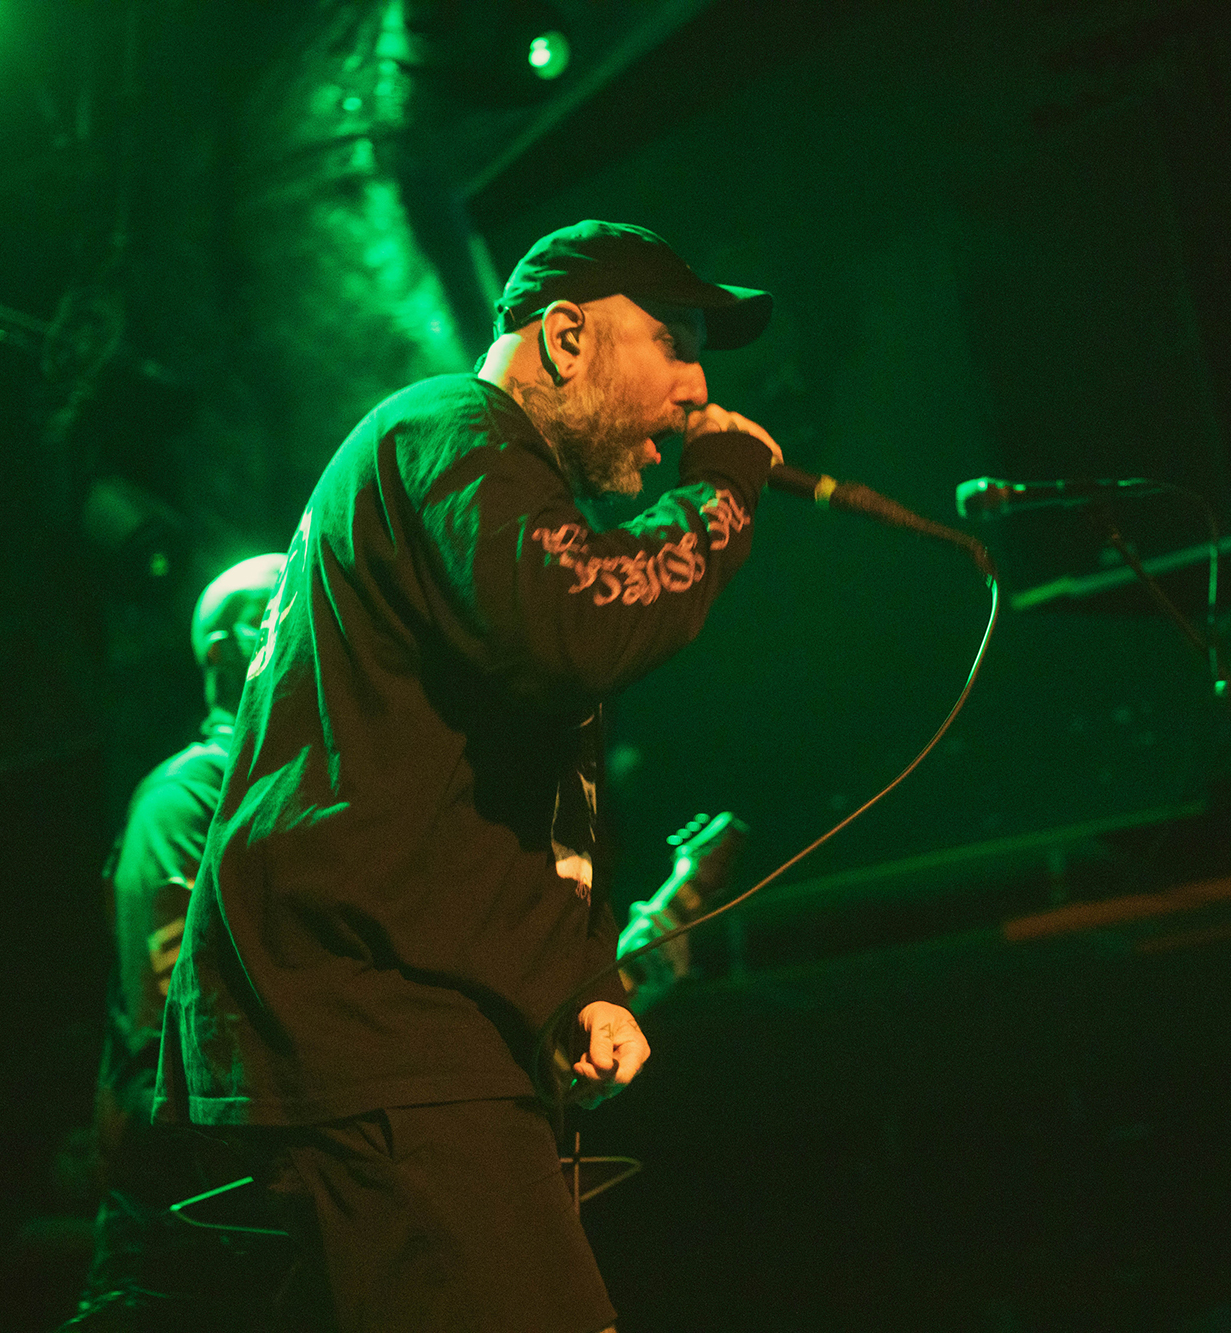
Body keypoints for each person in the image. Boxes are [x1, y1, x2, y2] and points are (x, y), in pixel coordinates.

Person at [155, 220, 784, 1333]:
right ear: (566, 337)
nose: (699, 390)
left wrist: (576, 982)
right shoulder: (449, 429)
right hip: (377, 1032)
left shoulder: (485, 491)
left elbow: (484, 797)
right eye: (675, 344)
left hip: (395, 1033)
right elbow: (580, 624)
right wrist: (721, 491)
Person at [67, 553, 291, 1332]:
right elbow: (172, 1011)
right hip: (179, 1216)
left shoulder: (286, 792)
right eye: (278, 604)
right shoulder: (187, 794)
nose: (304, 617)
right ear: (222, 645)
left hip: (253, 1210)